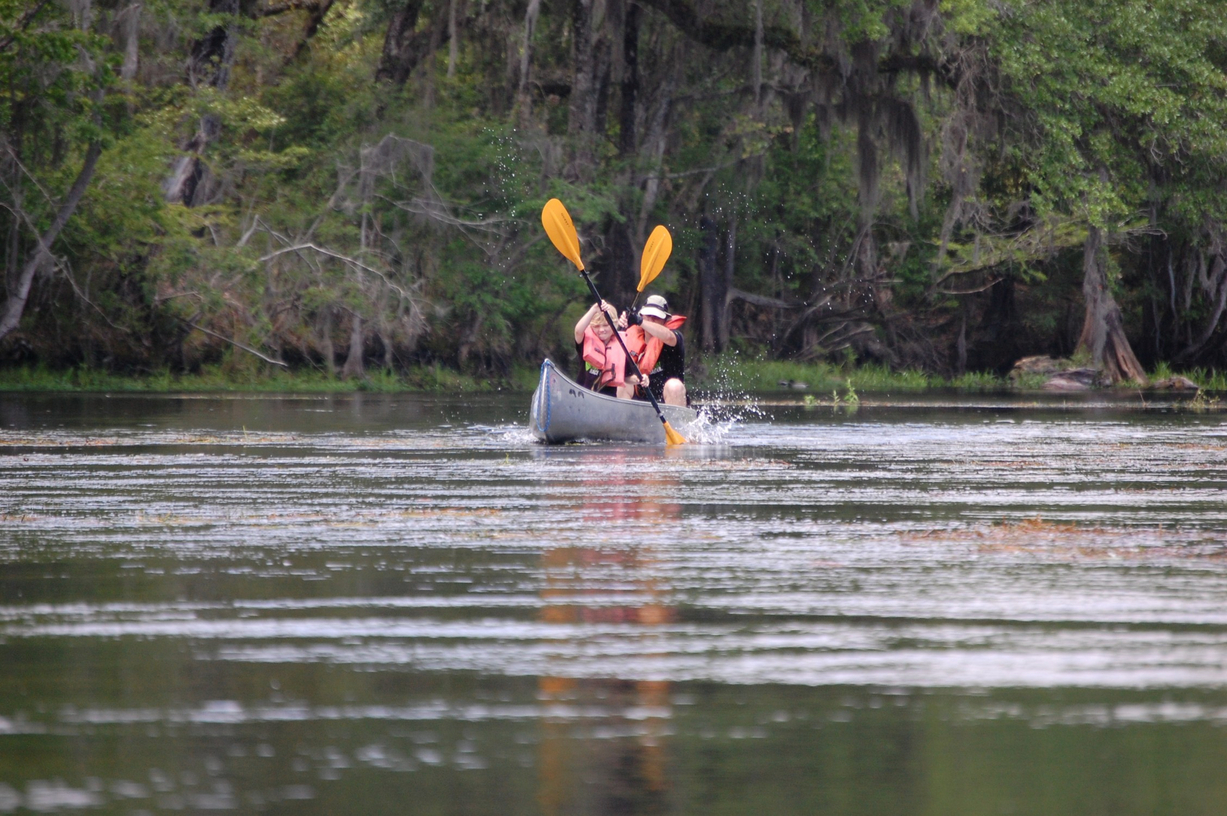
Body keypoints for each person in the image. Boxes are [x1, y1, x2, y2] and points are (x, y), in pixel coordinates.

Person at [573, 301, 648, 398]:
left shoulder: (620, 349)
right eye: (597, 326)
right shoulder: (586, 341)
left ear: (615, 324)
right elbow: (578, 331)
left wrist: (641, 378)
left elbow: (627, 377)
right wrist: (594, 309)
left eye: (606, 325)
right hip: (582, 395)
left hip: (607, 399)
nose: (601, 330)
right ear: (591, 326)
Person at [625, 294, 687, 406]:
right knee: (622, 382)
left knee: (674, 385)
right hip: (639, 403)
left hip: (666, 402)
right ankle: (623, 420)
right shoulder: (629, 336)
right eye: (648, 315)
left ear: (665, 320)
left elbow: (668, 337)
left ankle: (675, 421)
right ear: (642, 315)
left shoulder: (674, 336)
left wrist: (640, 322)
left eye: (656, 317)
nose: (651, 319)